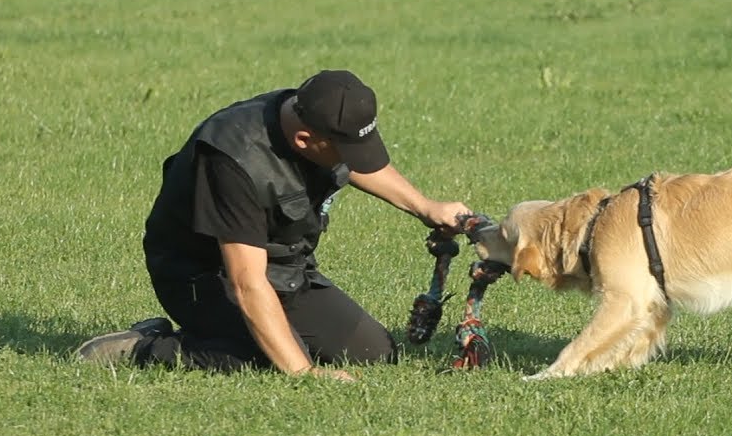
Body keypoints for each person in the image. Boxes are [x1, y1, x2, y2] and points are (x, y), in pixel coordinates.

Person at [77, 69, 470, 381]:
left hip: (285, 270)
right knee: (268, 358)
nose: (353, 160)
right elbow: (246, 283)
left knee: (373, 353)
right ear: (304, 140)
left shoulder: (314, 116)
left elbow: (357, 165)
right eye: (345, 151)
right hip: (202, 277)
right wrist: (304, 373)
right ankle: (145, 348)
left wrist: (425, 207)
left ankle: (248, 339)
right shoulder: (233, 160)